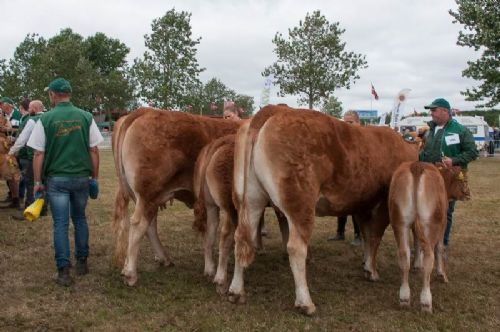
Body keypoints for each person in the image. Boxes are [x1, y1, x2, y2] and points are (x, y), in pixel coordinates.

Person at [27, 78, 103, 286]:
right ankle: (82, 261)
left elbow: (38, 153)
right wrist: (94, 178)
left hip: (57, 179)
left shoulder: (45, 119)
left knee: (60, 223)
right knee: (79, 218)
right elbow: (94, 150)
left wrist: (36, 182)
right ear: (69, 94)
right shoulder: (86, 117)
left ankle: (63, 270)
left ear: (52, 94)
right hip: (80, 178)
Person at [419, 98, 478, 257]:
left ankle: (441, 244)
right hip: (428, 174)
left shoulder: (460, 130)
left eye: (434, 110)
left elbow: (472, 152)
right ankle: (424, 243)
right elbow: (424, 152)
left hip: (448, 176)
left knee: (445, 211)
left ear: (445, 111)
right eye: (431, 111)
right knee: (425, 210)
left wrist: (454, 160)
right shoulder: (429, 130)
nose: (431, 113)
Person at [328, 110, 362, 246]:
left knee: (356, 207)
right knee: (341, 204)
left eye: (350, 122)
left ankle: (358, 235)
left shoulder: (363, 138)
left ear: (358, 123)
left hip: (359, 176)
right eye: (345, 122)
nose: (347, 125)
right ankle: (340, 233)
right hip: (344, 176)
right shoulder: (343, 138)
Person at [8, 100, 45, 219]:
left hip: (33, 156)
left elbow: (22, 139)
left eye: (29, 108)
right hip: (48, 157)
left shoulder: (31, 120)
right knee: (44, 182)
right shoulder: (49, 118)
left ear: (34, 109)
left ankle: (29, 208)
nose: (28, 111)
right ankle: (43, 208)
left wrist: (11, 151)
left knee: (30, 182)